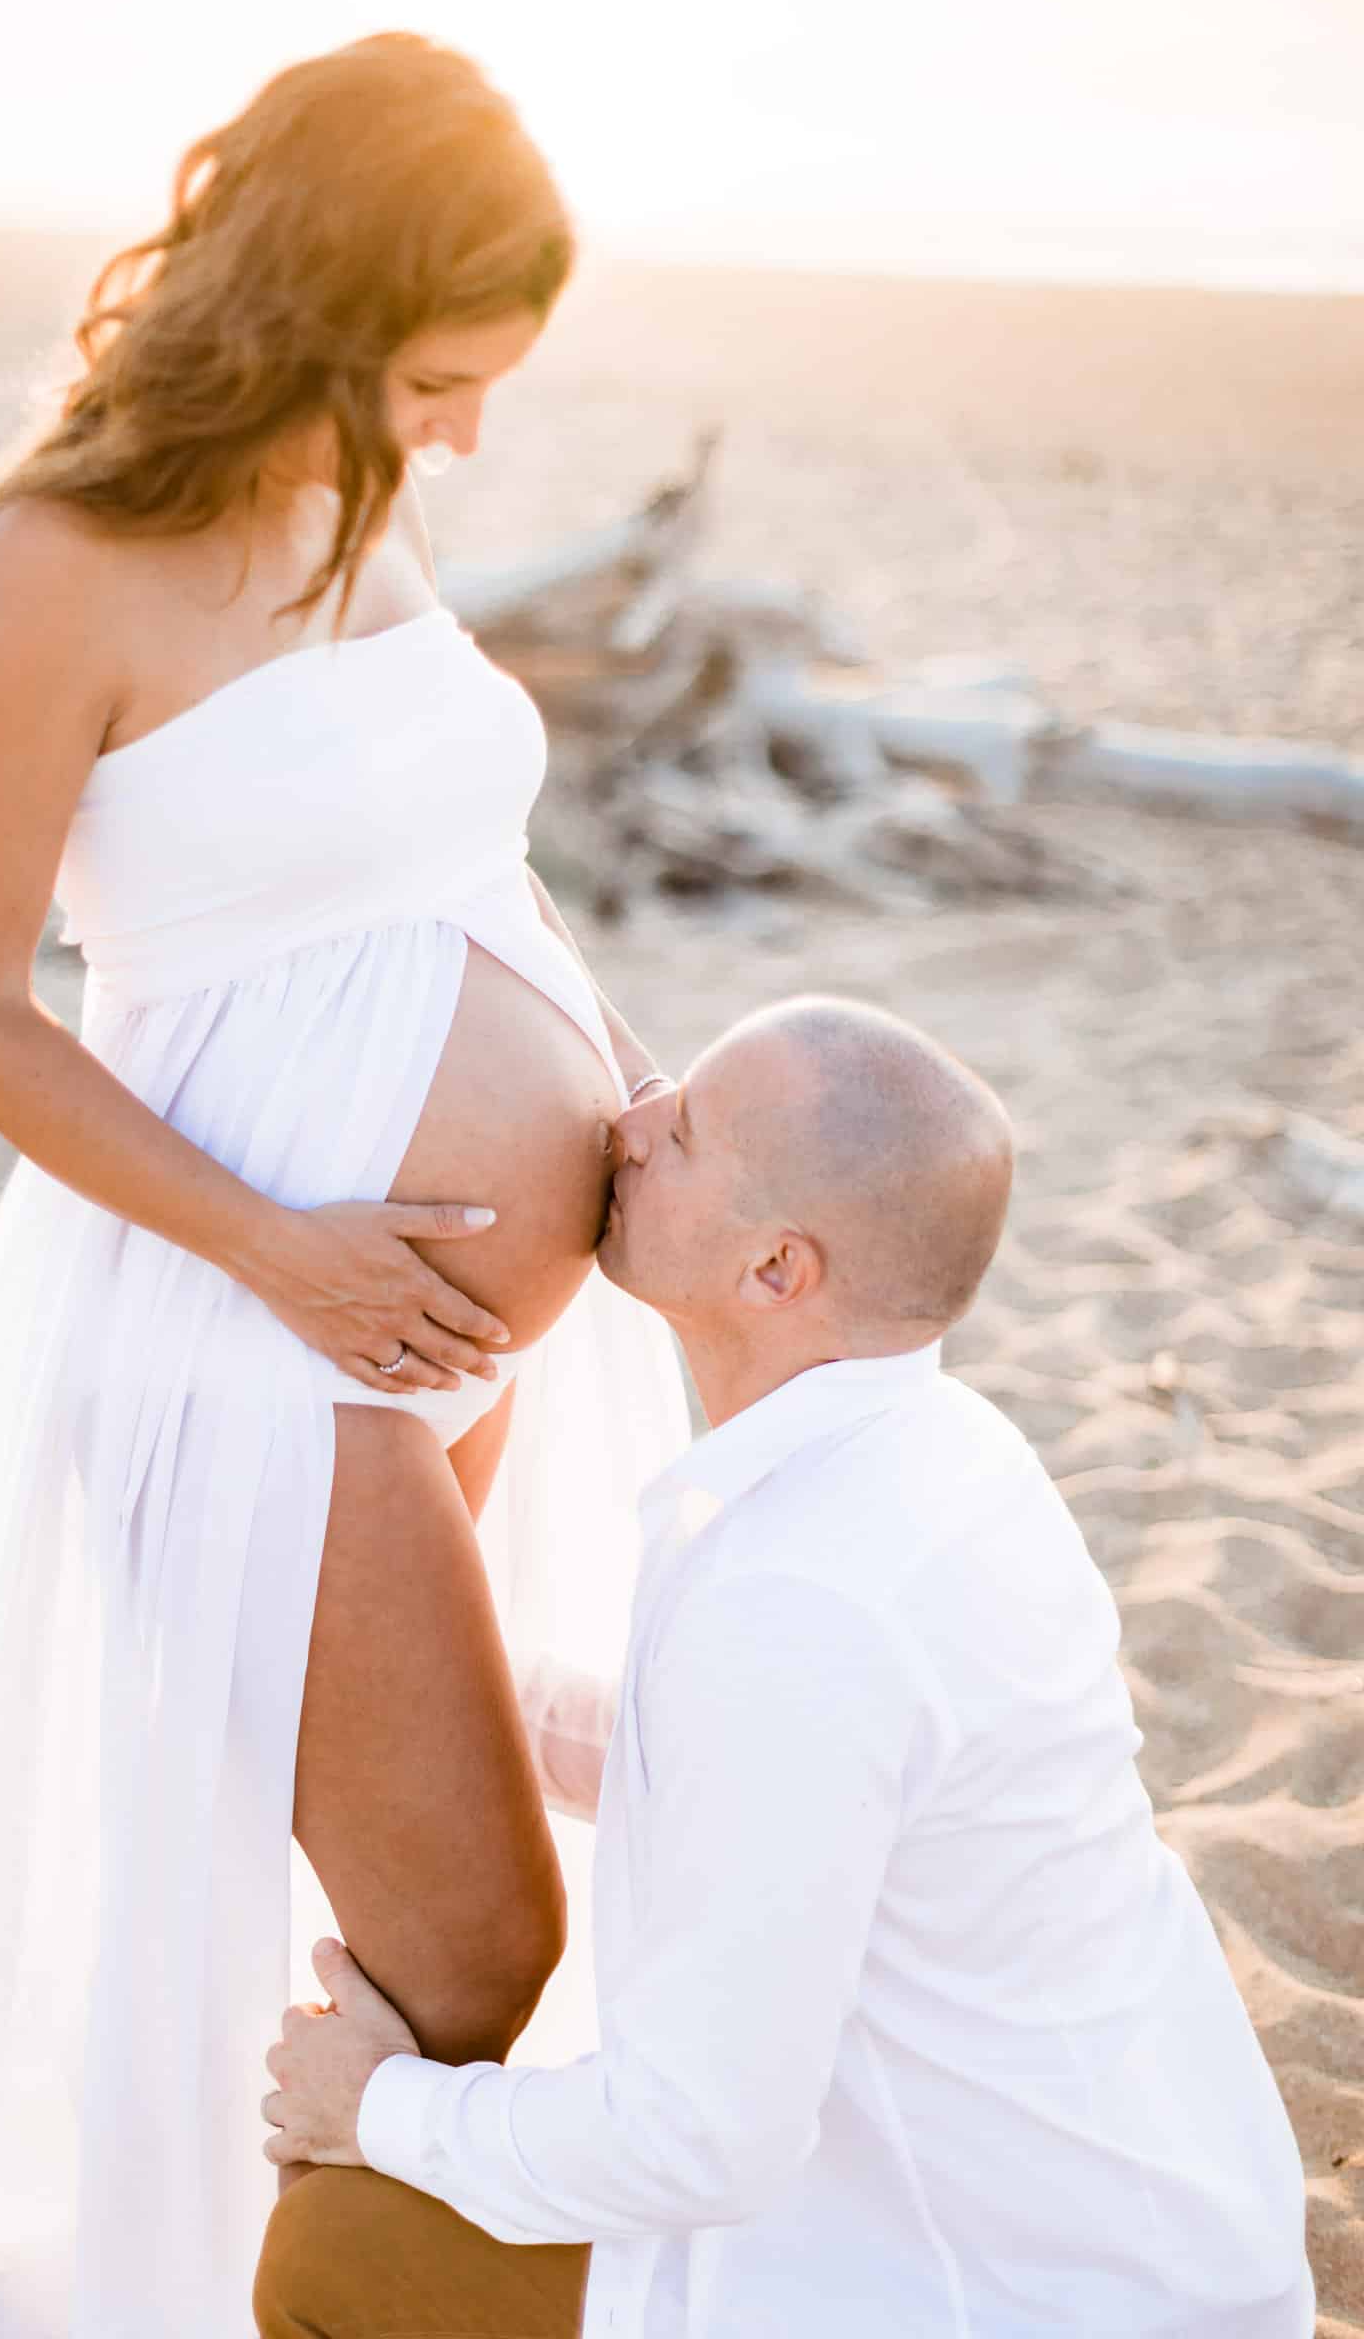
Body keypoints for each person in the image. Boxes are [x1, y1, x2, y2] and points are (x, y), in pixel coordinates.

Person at [0, 34, 690, 2336]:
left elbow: (440, 857)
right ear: (316, 303)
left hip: (417, 1339)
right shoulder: (52, 568)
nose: (470, 430)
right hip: (256, 1338)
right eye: (447, 374)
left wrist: (629, 1099)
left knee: (407, 1916)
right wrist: (281, 1249)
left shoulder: (359, 500)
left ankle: (328, 2273)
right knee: (481, 1944)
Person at [257, 997, 1316, 2339]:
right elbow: (749, 1771)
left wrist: (375, 2103)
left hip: (1006, 2294)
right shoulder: (943, 1454)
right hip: (1153, 2242)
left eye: (683, 1129)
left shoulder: (800, 1603)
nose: (624, 1125)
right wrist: (448, 1690)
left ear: (776, 1271)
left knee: (334, 2250)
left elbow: (703, 2146)